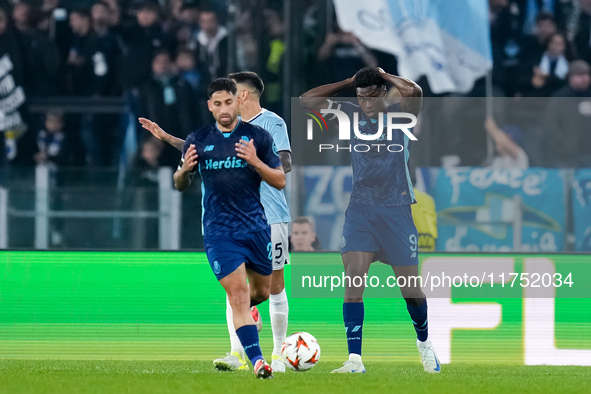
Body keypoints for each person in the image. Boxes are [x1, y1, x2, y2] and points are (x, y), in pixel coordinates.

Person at [139, 71, 292, 373]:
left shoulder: (267, 128)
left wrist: (256, 161)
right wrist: (171, 144)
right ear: (211, 105)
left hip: (266, 219)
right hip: (220, 227)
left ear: (240, 97)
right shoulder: (204, 137)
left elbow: (282, 168)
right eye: (218, 102)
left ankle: (278, 351)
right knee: (236, 292)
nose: (224, 107)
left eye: (229, 99)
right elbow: (200, 156)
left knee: (266, 290)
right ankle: (247, 355)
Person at [299, 66, 440, 374]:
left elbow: (415, 92)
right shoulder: (349, 113)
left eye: (372, 96)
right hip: (361, 209)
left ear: (383, 94)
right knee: (353, 279)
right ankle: (355, 360)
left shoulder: (402, 115)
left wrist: (386, 76)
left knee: (410, 288)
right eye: (361, 97)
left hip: (397, 207)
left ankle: (425, 344)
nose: (366, 102)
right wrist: (350, 81)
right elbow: (307, 101)